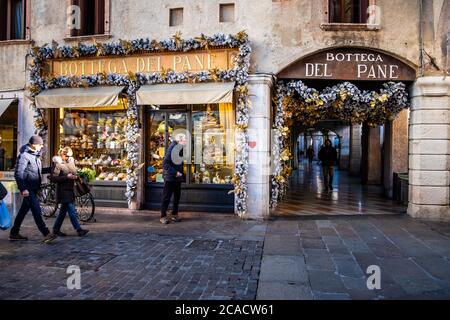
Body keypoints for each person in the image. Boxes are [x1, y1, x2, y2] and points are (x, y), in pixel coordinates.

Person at [10, 135, 56, 243]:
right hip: (28, 189)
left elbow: (36, 172)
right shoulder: (24, 156)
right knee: (36, 210)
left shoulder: (35, 155)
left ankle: (14, 232)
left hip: (34, 188)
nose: (41, 147)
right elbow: (18, 173)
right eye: (40, 145)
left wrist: (50, 169)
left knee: (22, 211)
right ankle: (46, 233)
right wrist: (23, 189)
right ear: (34, 145)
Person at [49, 147, 89, 237]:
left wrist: (76, 176)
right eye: (66, 155)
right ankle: (79, 230)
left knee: (63, 212)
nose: (67, 157)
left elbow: (74, 172)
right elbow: (53, 178)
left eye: (69, 156)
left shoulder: (70, 162)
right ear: (62, 154)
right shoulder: (57, 163)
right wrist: (67, 177)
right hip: (63, 191)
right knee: (72, 211)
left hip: (70, 190)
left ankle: (56, 229)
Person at [160, 133, 187, 224]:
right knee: (166, 197)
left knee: (177, 197)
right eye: (184, 140)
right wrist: (175, 172)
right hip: (170, 177)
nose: (186, 141)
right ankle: (163, 216)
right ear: (179, 140)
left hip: (177, 177)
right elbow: (165, 164)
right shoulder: (172, 148)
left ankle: (174, 215)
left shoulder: (179, 148)